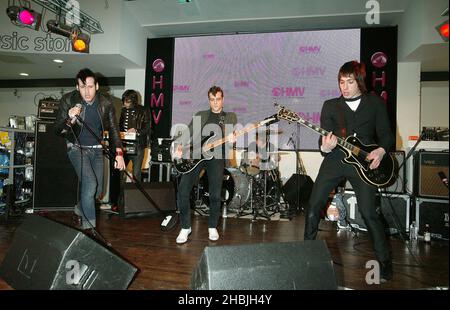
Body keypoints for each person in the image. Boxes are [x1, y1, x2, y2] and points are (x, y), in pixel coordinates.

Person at [303, 60, 394, 282]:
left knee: (369, 213)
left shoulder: (374, 103)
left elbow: (387, 136)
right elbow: (323, 141)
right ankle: (304, 256)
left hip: (364, 164)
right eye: (341, 82)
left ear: (360, 81)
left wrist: (381, 151)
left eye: (349, 82)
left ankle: (384, 263)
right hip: (335, 159)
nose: (344, 86)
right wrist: (325, 147)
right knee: (314, 206)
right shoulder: (330, 105)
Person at [55, 68, 126, 231]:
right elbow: (58, 131)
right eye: (82, 86)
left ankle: (79, 209)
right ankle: (90, 230)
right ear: (77, 86)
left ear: (97, 86)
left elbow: (114, 130)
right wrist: (69, 119)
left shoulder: (106, 103)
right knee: (90, 183)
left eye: (90, 86)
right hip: (77, 148)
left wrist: (119, 154)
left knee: (98, 191)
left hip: (96, 149)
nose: (86, 92)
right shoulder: (68, 100)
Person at [173, 86, 237, 244]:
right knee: (182, 190)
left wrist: (232, 138)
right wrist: (180, 145)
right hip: (196, 156)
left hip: (216, 156)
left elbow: (229, 136)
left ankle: (212, 226)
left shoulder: (229, 117)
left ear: (223, 99)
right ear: (209, 100)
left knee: (215, 195)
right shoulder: (201, 115)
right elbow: (187, 132)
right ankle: (186, 227)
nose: (215, 103)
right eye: (212, 99)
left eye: (218, 99)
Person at [109, 90, 151, 210]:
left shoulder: (144, 110)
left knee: (136, 175)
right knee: (118, 173)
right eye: (124, 102)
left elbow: (147, 128)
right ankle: (118, 202)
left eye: (127, 102)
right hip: (124, 146)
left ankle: (135, 202)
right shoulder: (123, 111)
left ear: (133, 100)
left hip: (138, 146)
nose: (125, 104)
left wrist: (136, 131)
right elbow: (121, 126)